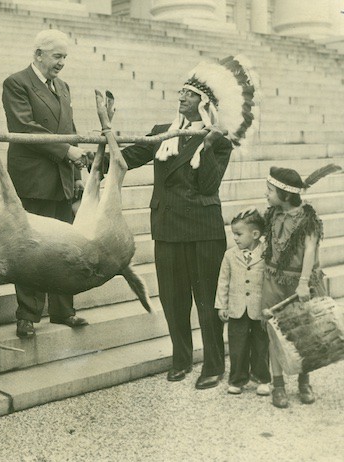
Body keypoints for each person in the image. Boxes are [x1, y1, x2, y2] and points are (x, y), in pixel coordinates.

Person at [119, 57, 256, 389]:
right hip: (167, 226)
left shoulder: (219, 140)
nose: (181, 98)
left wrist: (208, 145)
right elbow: (127, 157)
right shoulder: (161, 133)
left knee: (207, 300)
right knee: (172, 297)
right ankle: (181, 358)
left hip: (201, 229)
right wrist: (99, 150)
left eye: (189, 94)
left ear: (203, 102)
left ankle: (213, 365)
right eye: (181, 92)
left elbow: (208, 185)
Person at [2, 29, 86, 338]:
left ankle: (64, 310)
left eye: (65, 56)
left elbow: (71, 130)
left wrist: (76, 175)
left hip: (62, 180)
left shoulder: (63, 87)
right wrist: (67, 152)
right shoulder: (16, 83)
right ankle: (27, 315)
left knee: (64, 247)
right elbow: (25, 127)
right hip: (33, 181)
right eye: (57, 56)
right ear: (38, 54)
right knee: (31, 249)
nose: (62, 62)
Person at [261, 166, 332, 409]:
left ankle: (304, 381)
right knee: (274, 331)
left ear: (286, 194)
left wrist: (303, 283)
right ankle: (278, 384)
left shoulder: (308, 218)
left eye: (270, 191)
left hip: (301, 283)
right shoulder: (272, 214)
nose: (266, 195)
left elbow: (310, 251)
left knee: (304, 332)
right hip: (273, 280)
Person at [215, 209, 270, 396]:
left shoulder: (267, 253)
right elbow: (223, 281)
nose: (235, 238)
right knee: (237, 346)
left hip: (259, 309)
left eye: (239, 234)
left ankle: (262, 378)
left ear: (255, 234)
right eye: (234, 234)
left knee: (261, 345)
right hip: (237, 309)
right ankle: (237, 379)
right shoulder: (230, 255)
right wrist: (222, 305)